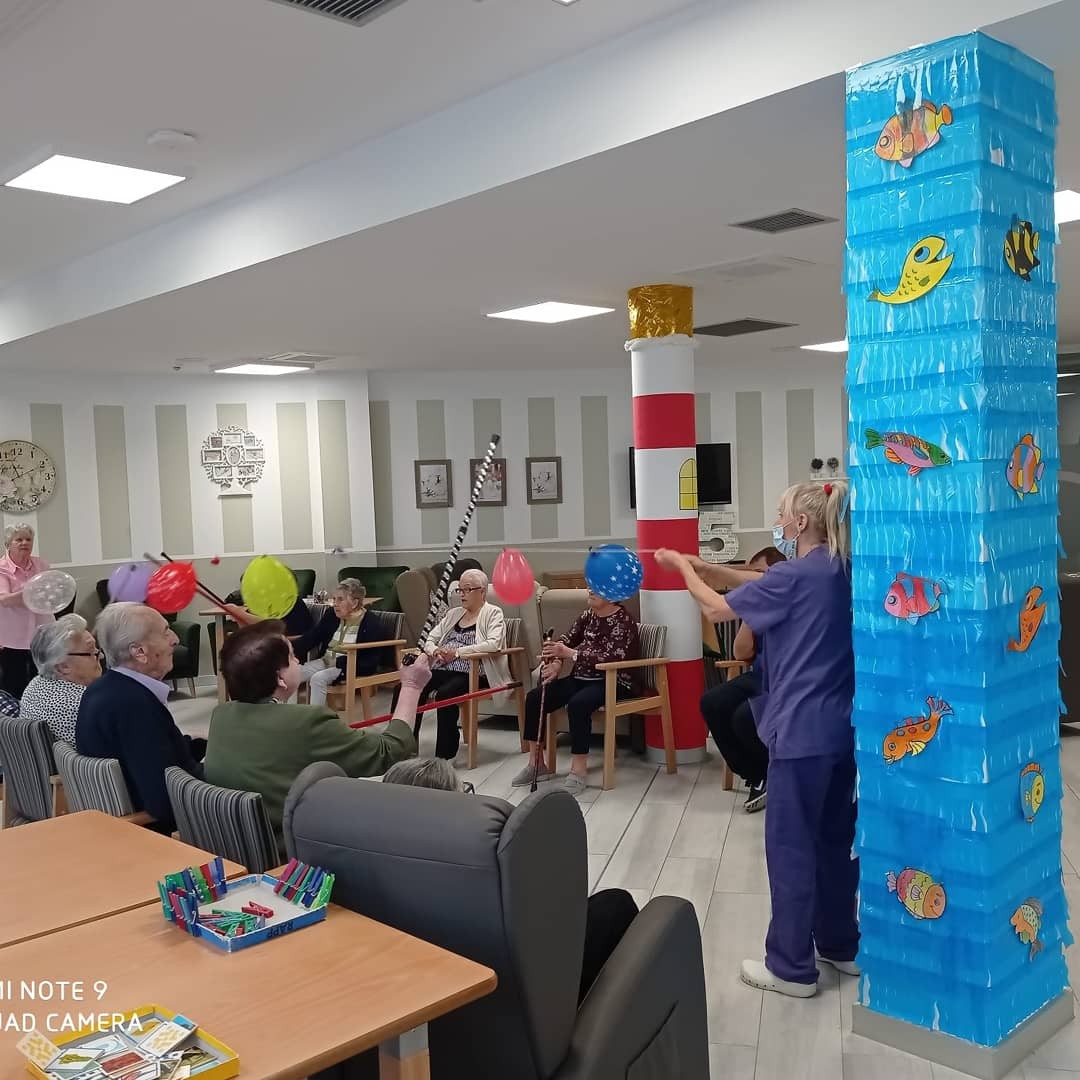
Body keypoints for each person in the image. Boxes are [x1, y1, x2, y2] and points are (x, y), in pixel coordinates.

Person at [656, 480, 857, 999]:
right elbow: (763, 580)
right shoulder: (841, 569)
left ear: (801, 523)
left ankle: (791, 967)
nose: (779, 521)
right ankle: (840, 944)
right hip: (843, 731)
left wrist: (683, 571)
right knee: (836, 842)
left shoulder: (794, 576)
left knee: (791, 847)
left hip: (800, 732)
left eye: (782, 513)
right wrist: (710, 567)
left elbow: (715, 611)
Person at [205, 620, 418, 854]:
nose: (298, 661)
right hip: (294, 855)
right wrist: (411, 686)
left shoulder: (221, 715)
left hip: (235, 848)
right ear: (280, 678)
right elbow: (389, 753)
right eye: (292, 657)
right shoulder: (306, 721)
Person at [76, 603, 205, 833]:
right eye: (166, 632)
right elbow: (163, 802)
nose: (175, 639)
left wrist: (199, 746)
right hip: (154, 833)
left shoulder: (101, 689)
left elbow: (152, 756)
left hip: (118, 822)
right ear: (140, 652)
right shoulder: (135, 706)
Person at [515, 591, 640, 796]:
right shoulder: (588, 615)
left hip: (613, 681)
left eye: (597, 587)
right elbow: (565, 641)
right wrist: (556, 662)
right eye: (590, 584)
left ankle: (578, 771)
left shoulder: (624, 621)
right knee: (535, 697)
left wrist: (572, 654)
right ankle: (536, 764)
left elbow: (612, 658)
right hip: (582, 678)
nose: (590, 590)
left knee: (578, 704)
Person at [700, 546, 786, 813]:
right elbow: (740, 653)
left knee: (743, 717)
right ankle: (755, 773)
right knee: (712, 702)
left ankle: (771, 774)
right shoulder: (759, 605)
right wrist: (751, 614)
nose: (754, 582)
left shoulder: (790, 601)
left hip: (785, 680)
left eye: (759, 574)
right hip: (759, 674)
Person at [405, 569, 512, 761]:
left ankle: (444, 757)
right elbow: (430, 638)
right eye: (459, 590)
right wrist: (435, 651)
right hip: (443, 667)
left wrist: (457, 652)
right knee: (409, 687)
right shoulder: (454, 614)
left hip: (474, 672)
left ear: (482, 591)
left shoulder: (493, 613)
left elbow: (494, 644)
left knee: (445, 694)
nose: (462, 594)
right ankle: (405, 747)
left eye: (467, 589)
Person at [291, 579, 391, 706]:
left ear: (354, 603)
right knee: (291, 674)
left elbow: (370, 660)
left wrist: (339, 662)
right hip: (326, 661)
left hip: (348, 666)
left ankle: (316, 717)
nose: (335, 604)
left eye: (340, 599)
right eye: (334, 599)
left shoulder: (371, 623)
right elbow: (313, 636)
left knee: (318, 679)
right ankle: (287, 713)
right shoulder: (331, 615)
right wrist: (289, 649)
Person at [20, 615, 102, 745]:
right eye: (91, 651)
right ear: (63, 666)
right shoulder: (88, 707)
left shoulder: (33, 686)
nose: (101, 656)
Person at [0, 524, 53, 698]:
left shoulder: (41, 564)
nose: (25, 543)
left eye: (28, 539)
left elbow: (50, 593)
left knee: (44, 677)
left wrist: (36, 594)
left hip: (42, 630)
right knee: (15, 682)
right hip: (12, 636)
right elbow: (4, 600)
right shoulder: (2, 568)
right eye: (19, 539)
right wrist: (32, 592)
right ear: (8, 544)